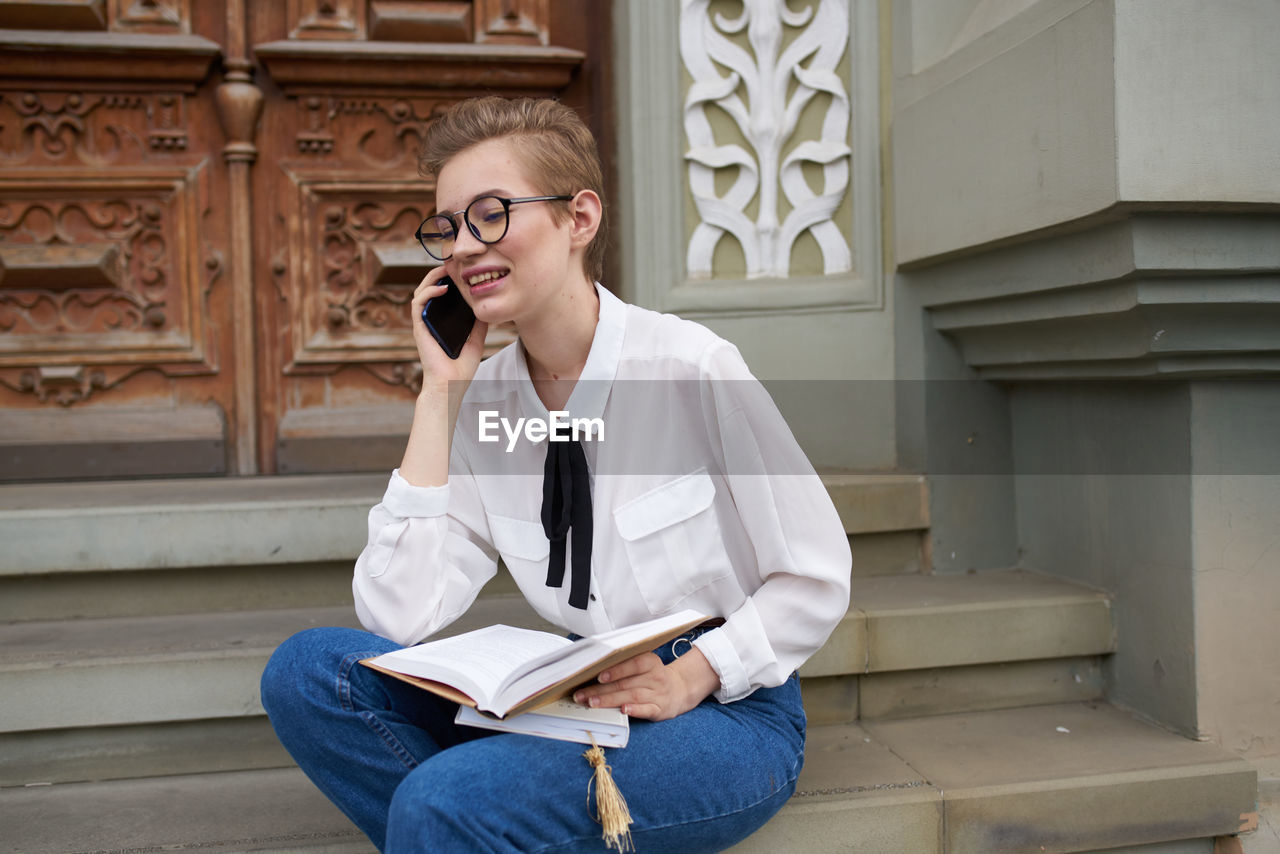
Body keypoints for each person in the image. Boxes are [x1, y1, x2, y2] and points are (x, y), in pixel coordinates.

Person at [260, 96, 851, 854]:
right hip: (574, 695)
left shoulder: (691, 368)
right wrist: (439, 395)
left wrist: (694, 674)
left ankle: (464, 818)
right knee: (309, 673)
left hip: (724, 710)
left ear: (580, 218)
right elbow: (396, 616)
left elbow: (817, 573)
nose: (464, 248)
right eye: (447, 228)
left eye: (492, 214)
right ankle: (478, 821)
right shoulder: (483, 403)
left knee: (441, 804)